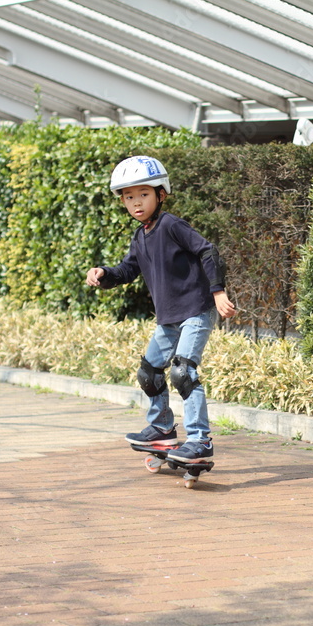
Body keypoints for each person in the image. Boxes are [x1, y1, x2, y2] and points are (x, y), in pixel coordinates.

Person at [86, 155, 235, 464]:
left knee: (183, 373)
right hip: (169, 319)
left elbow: (207, 250)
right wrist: (103, 274)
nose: (136, 202)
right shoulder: (141, 237)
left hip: (195, 309)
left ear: (160, 194)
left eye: (143, 194)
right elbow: (127, 271)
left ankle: (199, 440)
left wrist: (218, 291)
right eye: (129, 197)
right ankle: (162, 428)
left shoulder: (171, 225)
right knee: (150, 372)